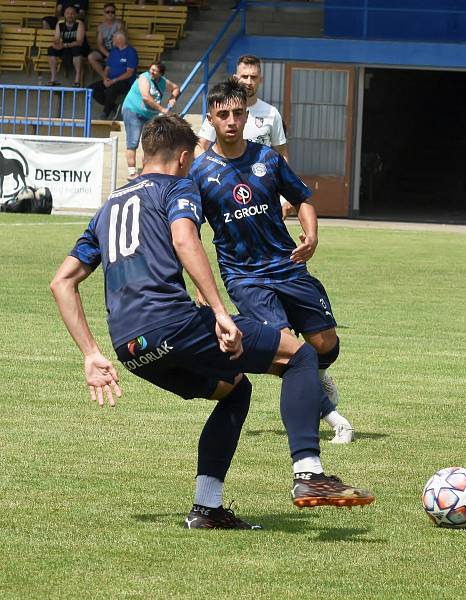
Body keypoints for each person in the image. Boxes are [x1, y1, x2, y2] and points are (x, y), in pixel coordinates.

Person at [50, 114, 374, 530]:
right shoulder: (177, 185)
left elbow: (62, 282)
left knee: (235, 392)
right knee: (300, 357)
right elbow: (185, 238)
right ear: (184, 158)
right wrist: (221, 312)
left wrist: (90, 354)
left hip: (130, 348)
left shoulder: (108, 207)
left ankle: (206, 508)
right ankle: (309, 475)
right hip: (175, 325)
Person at [191, 78, 355, 444]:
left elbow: (303, 198)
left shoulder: (267, 159)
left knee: (325, 343)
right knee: (285, 347)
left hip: (286, 264)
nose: (231, 120)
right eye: (223, 115)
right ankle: (331, 417)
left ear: (247, 115)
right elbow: (187, 235)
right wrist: (203, 286)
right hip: (244, 276)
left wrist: (311, 236)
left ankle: (317, 374)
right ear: (211, 120)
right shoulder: (200, 174)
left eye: (237, 113)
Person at [196, 55, 294, 220]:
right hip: (229, 188)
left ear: (260, 80)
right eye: (244, 76)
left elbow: (282, 154)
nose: (249, 81)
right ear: (235, 78)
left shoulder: (271, 113)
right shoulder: (221, 112)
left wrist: (285, 195)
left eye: (253, 77)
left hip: (263, 190)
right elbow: (200, 147)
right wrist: (212, 176)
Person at [121, 61, 180, 180]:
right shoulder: (144, 77)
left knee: (150, 141)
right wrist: (162, 109)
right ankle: (132, 172)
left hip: (149, 115)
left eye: (155, 71)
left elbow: (175, 88)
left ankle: (146, 170)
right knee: (133, 141)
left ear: (161, 74)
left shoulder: (163, 82)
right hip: (133, 111)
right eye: (151, 69)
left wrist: (173, 98)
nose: (151, 72)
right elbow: (146, 97)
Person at [89, 31, 137, 119]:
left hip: (125, 81)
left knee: (112, 89)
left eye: (113, 38)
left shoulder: (131, 52)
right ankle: (113, 106)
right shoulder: (114, 51)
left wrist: (113, 81)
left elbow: (129, 73)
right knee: (91, 88)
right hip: (110, 79)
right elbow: (107, 68)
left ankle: (105, 114)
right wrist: (105, 79)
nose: (111, 40)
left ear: (120, 40)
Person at [46, 5, 90, 86]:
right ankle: (53, 79)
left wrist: (64, 45)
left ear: (76, 15)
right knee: (51, 50)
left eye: (72, 13)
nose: (70, 15)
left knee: (76, 50)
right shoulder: (60, 24)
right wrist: (56, 43)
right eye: (67, 13)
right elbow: (56, 37)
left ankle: (77, 80)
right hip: (66, 47)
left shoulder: (79, 24)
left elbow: (79, 42)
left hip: (79, 47)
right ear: (64, 15)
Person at [87, 3, 126, 79]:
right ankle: (105, 77)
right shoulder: (100, 27)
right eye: (108, 12)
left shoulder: (119, 25)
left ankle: (115, 79)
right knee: (91, 57)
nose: (110, 14)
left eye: (112, 12)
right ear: (104, 13)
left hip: (117, 50)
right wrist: (108, 55)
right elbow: (100, 44)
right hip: (105, 51)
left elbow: (121, 43)